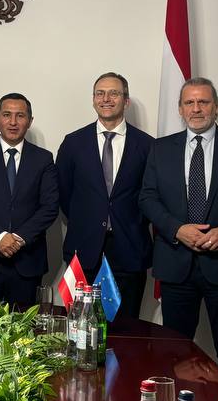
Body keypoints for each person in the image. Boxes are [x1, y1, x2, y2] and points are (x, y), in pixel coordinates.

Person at [139, 78, 218, 388]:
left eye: (203, 102)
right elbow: (147, 198)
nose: (196, 108)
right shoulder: (160, 149)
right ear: (180, 109)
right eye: (189, 102)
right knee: (174, 352)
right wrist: (177, 229)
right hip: (176, 265)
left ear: (216, 107)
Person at [55, 72, 154, 327]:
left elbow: (151, 196)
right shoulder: (73, 143)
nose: (106, 99)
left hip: (129, 250)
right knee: (79, 328)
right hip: (83, 251)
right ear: (93, 100)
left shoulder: (147, 145)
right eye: (100, 93)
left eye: (114, 93)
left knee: (126, 330)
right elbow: (64, 194)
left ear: (126, 101)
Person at [0, 93, 59, 305]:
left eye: (20, 116)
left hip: (27, 262)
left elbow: (49, 207)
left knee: (26, 325)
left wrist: (17, 239)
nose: (13, 122)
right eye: (6, 115)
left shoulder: (43, 159)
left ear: (30, 121)